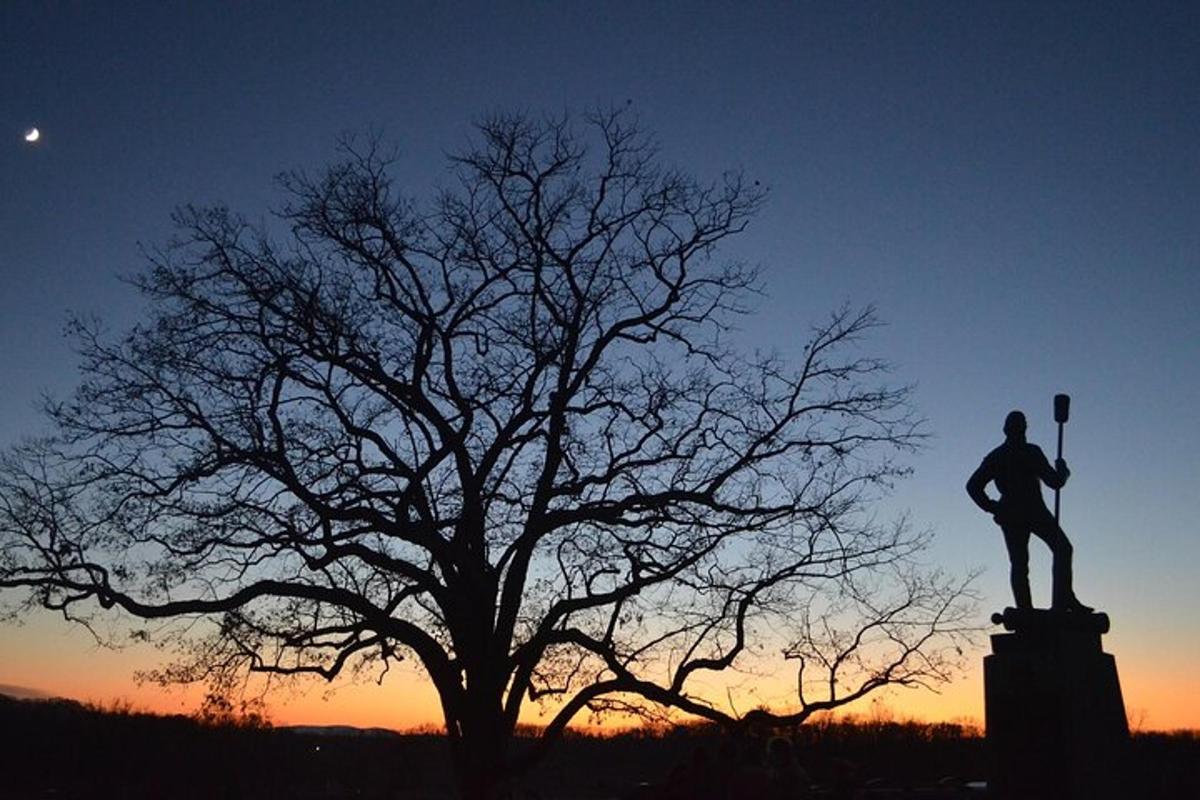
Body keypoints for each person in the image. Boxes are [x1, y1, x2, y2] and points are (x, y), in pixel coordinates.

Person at [966, 410, 1091, 612]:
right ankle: (1042, 605)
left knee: (1025, 561)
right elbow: (1055, 481)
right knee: (1043, 555)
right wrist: (1063, 471)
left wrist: (995, 507)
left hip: (1018, 513)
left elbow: (973, 486)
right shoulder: (1025, 452)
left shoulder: (1001, 455)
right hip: (1028, 511)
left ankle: (1048, 603)